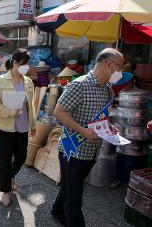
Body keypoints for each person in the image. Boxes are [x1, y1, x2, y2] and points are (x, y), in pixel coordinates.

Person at [51, 48, 124, 227]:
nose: (121, 72)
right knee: (74, 196)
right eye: (120, 66)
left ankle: (56, 210)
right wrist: (83, 131)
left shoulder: (108, 89)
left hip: (92, 151)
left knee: (70, 187)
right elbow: (58, 112)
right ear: (108, 64)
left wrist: (109, 126)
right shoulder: (79, 85)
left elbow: (101, 117)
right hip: (73, 149)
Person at [0, 48, 36, 207]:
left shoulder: (28, 82)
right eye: (23, 64)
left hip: (22, 128)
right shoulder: (0, 81)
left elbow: (32, 106)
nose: (26, 67)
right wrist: (10, 112)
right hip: (3, 128)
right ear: (14, 63)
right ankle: (5, 192)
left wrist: (33, 125)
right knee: (5, 161)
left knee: (21, 157)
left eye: (27, 64)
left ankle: (10, 177)